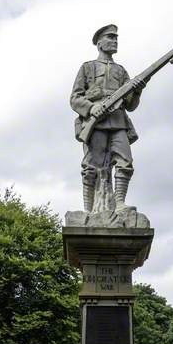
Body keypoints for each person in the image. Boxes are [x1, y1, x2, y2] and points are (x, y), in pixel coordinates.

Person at [70, 24, 148, 214]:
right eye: (110, 38)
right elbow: (74, 98)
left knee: (125, 161)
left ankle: (119, 203)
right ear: (99, 43)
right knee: (91, 167)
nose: (114, 41)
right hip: (95, 123)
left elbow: (130, 105)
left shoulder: (121, 71)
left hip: (118, 122)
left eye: (116, 38)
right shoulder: (87, 68)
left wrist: (138, 90)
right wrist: (91, 107)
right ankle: (88, 211)